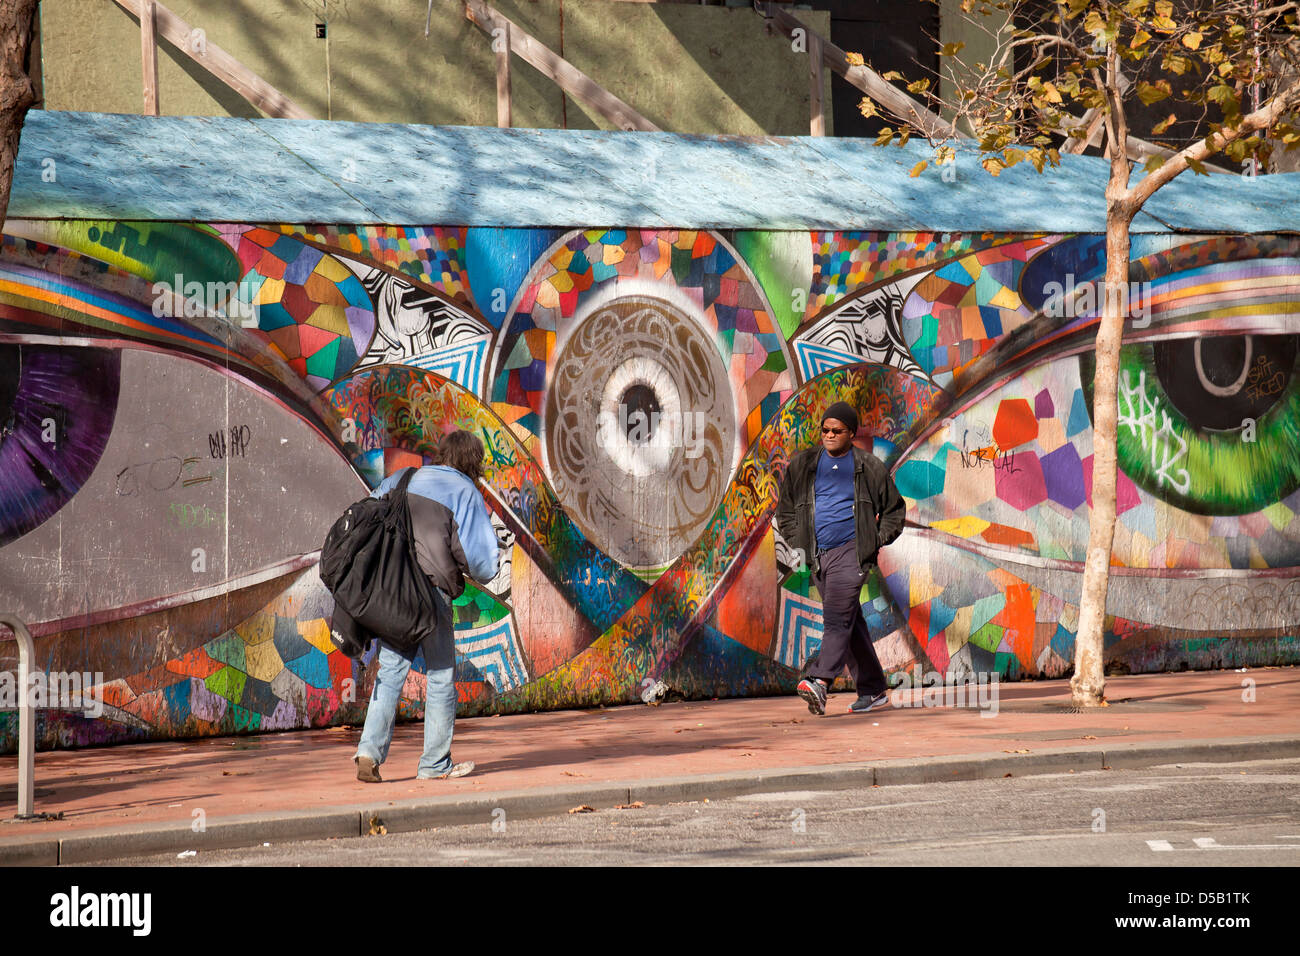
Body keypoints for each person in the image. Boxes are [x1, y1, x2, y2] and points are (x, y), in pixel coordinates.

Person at [353, 430, 500, 782]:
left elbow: (367, 516)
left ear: (443, 454)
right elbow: (483, 563)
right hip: (431, 594)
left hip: (392, 593)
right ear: (472, 463)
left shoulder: (404, 477)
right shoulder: (464, 491)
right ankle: (434, 764)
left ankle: (368, 752)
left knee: (389, 672)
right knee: (440, 676)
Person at [775, 401, 906, 715]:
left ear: (851, 433)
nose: (829, 435)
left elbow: (894, 512)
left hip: (852, 552)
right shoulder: (804, 464)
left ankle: (819, 681)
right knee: (850, 622)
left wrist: (872, 541)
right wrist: (797, 542)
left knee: (836, 618)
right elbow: (786, 511)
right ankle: (873, 690)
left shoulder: (868, 466)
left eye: (837, 431)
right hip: (819, 556)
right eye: (825, 430)